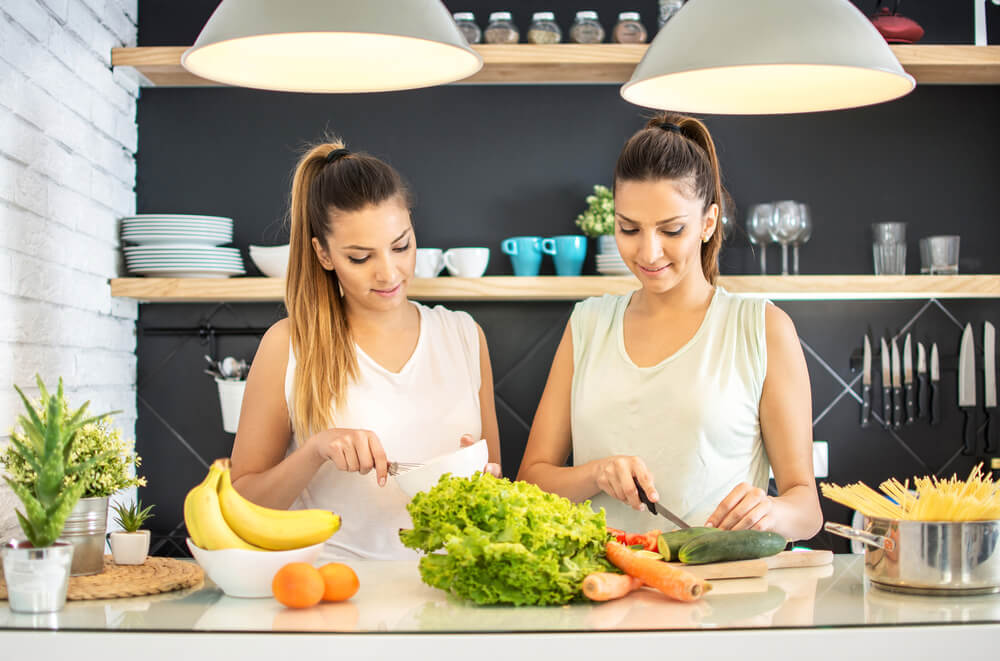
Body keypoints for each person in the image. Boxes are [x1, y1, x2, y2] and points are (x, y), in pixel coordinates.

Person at [517, 113, 821, 541]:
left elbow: (806, 508)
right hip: (601, 587)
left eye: (671, 229)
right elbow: (531, 481)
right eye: (629, 229)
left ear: (708, 223)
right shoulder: (588, 324)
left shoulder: (762, 328)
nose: (648, 251)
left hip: (718, 596)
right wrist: (597, 474)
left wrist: (770, 512)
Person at [229, 139, 501, 559]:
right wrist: (315, 451)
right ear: (323, 254)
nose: (389, 272)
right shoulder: (288, 345)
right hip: (330, 595)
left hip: (447, 597)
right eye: (360, 257)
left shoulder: (464, 336)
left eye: (401, 245)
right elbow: (243, 505)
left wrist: (482, 483)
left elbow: (496, 489)